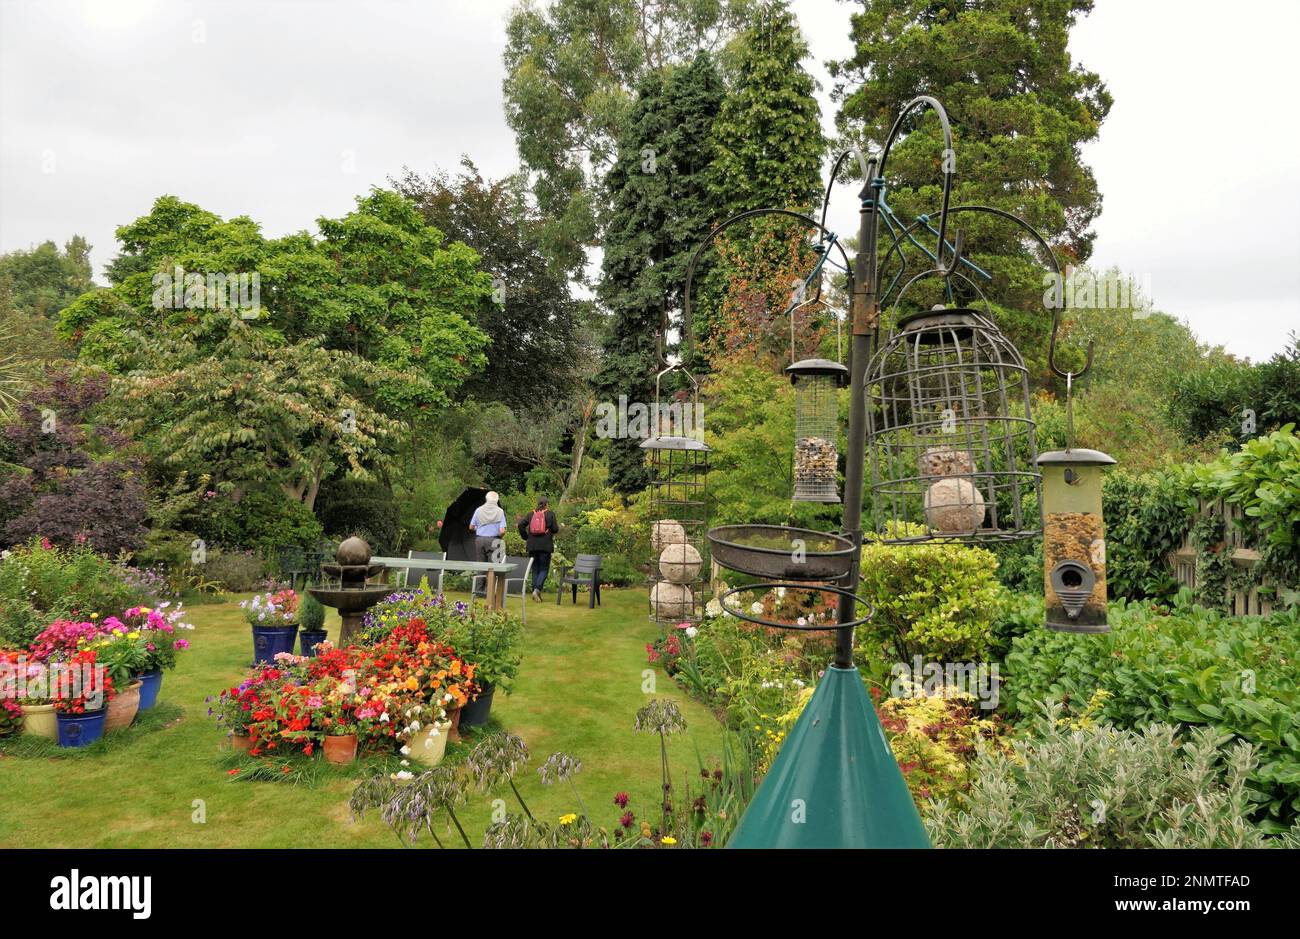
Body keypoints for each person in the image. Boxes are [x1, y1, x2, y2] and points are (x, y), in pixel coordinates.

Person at [517, 496, 559, 602]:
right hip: (545, 546)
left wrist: (525, 536)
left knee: (535, 569)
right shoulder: (550, 514)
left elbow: (521, 524)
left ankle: (535, 591)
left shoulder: (531, 514)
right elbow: (555, 529)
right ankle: (537, 589)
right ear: (546, 504)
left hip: (532, 546)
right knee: (544, 569)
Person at [468, 491, 507, 563]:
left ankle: (480, 574)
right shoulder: (500, 511)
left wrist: (478, 529)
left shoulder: (478, 510)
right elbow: (502, 531)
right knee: (494, 567)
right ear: (497, 500)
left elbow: (471, 527)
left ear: (486, 499)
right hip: (494, 540)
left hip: (480, 540)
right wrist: (499, 536)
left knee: (481, 565)